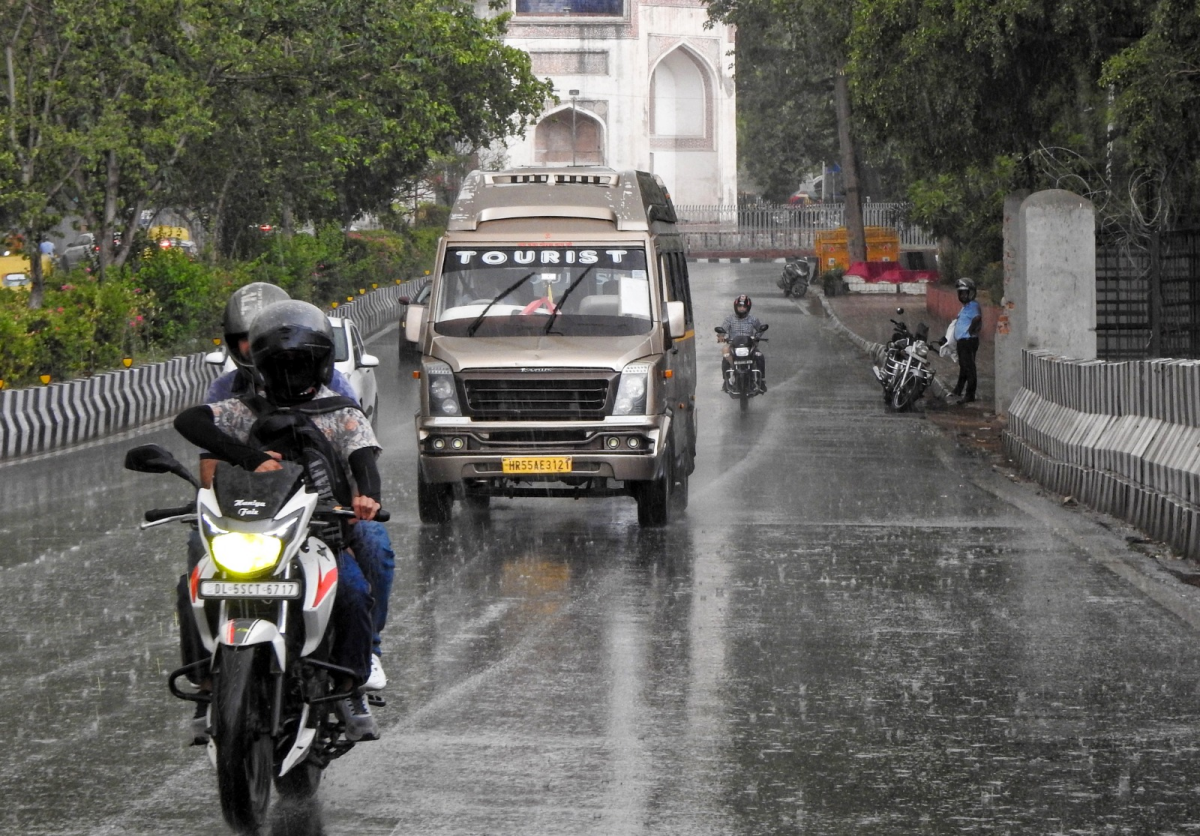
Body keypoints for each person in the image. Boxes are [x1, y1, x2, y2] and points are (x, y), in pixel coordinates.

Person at [174, 300, 385, 742]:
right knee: (191, 586)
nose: (290, 373)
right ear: (261, 366)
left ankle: (350, 688)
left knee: (353, 593)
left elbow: (364, 461)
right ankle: (206, 685)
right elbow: (189, 421)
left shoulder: (343, 412)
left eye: (300, 363)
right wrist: (248, 457)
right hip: (251, 533)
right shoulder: (242, 409)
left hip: (318, 536)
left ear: (320, 364)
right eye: (279, 364)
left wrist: (367, 496)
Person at [718, 294, 767, 393]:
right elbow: (722, 330)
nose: (741, 308)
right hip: (733, 346)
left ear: (748, 308)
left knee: (760, 356)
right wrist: (721, 336)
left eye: (744, 306)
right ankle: (726, 381)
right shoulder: (729, 319)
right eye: (739, 306)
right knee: (725, 357)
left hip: (749, 346)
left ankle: (761, 381)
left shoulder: (753, 319)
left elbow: (760, 329)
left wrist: (757, 337)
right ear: (735, 307)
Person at [950, 277, 982, 405]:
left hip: (968, 341)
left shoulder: (973, 305)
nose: (962, 296)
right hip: (962, 341)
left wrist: (970, 330)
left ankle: (970, 394)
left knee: (969, 368)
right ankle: (958, 389)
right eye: (960, 293)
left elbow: (977, 318)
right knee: (964, 367)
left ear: (971, 293)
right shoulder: (965, 307)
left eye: (965, 293)